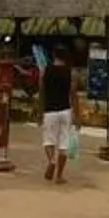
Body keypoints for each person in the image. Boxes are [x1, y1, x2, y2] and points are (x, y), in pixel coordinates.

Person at [38, 39, 82, 183]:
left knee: (49, 140)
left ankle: (51, 160)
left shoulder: (45, 71)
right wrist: (77, 115)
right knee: (64, 144)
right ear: (66, 56)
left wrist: (39, 111)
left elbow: (42, 92)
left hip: (49, 110)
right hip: (65, 111)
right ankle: (59, 176)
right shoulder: (72, 73)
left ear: (53, 55)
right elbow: (73, 94)